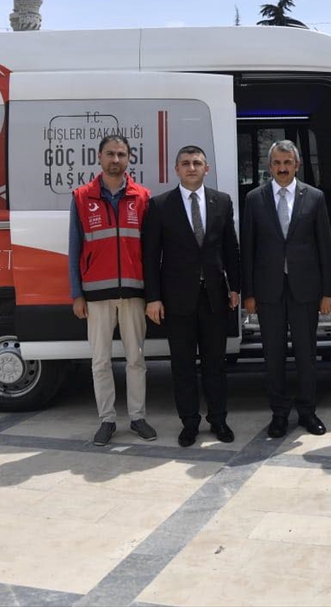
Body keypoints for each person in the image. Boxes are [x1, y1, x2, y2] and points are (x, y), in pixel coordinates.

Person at [143, 145, 240, 448]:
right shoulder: (160, 205)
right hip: (176, 300)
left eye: (197, 163)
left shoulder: (222, 202)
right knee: (182, 364)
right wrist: (153, 298)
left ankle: (219, 419)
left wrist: (235, 287)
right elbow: (150, 256)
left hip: (214, 297)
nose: (191, 168)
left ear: (206, 168)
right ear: (177, 170)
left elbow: (230, 249)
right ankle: (189, 422)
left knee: (215, 363)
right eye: (185, 163)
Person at [241, 140, 331, 439]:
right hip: (268, 292)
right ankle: (279, 414)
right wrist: (249, 293)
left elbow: (325, 247)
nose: (282, 168)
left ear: (297, 165)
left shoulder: (316, 197)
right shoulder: (254, 198)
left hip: (306, 291)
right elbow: (249, 248)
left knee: (306, 355)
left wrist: (327, 292)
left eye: (287, 163)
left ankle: (307, 412)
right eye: (277, 163)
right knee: (274, 355)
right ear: (269, 167)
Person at [69, 134, 155, 445]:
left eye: (121, 154)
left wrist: (152, 294)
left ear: (129, 159)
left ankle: (137, 417)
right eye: (110, 154)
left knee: (136, 359)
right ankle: (107, 420)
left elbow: (151, 249)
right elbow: (75, 247)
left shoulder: (142, 197)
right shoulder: (81, 197)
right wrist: (77, 294)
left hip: (134, 293)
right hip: (96, 297)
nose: (115, 159)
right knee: (100, 362)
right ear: (99, 157)